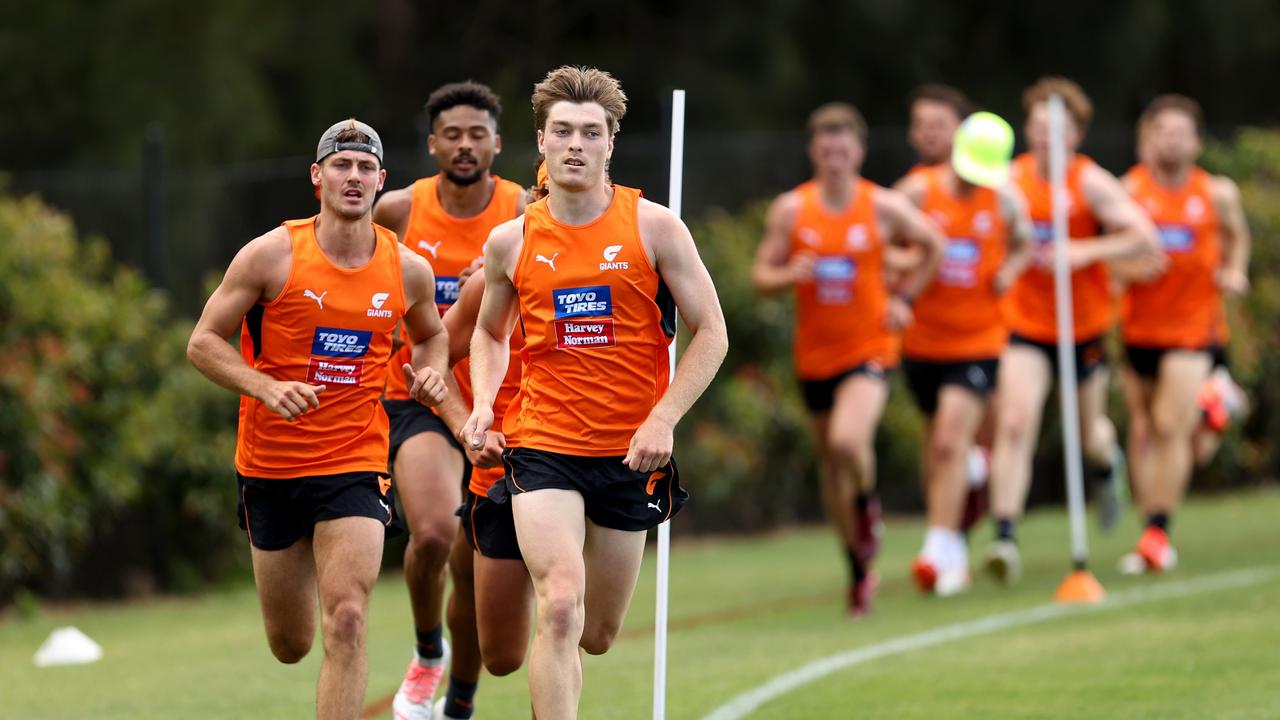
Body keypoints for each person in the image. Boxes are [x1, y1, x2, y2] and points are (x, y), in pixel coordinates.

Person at [461, 65, 728, 719]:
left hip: (631, 452)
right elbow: (490, 335)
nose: (576, 143)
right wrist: (483, 405)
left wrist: (664, 419)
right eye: (562, 131)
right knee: (557, 605)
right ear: (542, 144)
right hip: (543, 444)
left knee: (597, 632)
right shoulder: (511, 241)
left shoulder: (656, 228)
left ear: (611, 144)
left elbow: (713, 334)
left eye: (590, 132)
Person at [186, 119, 449, 720]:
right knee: (291, 644)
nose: (353, 178)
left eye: (365, 169)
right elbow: (202, 342)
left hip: (354, 461)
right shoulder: (271, 255)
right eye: (341, 165)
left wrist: (430, 371)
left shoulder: (407, 269)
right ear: (317, 177)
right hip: (270, 467)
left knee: (350, 619)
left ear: (382, 181)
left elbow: (431, 335)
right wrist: (263, 386)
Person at [370, 81, 525, 719]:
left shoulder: (524, 210)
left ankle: (459, 703)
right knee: (433, 533)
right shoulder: (398, 210)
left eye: (477, 133)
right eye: (452, 134)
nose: (465, 145)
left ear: (497, 142)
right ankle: (428, 651)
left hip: (501, 404)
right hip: (420, 394)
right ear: (433, 143)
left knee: (471, 562)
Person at [753, 102, 944, 615]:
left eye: (844, 147)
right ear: (814, 151)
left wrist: (905, 300)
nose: (835, 156)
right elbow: (760, 278)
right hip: (815, 356)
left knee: (847, 441)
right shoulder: (793, 210)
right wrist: (789, 273)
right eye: (825, 147)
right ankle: (858, 568)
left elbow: (933, 243)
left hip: (871, 348)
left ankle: (868, 505)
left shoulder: (880, 206)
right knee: (831, 466)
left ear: (859, 152)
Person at [984, 77, 1160, 585]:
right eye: (1036, 127)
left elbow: (1142, 234)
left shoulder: (1089, 182)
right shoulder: (1010, 181)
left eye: (1054, 128)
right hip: (1026, 325)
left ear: (1076, 133)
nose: (1043, 137)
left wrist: (1085, 252)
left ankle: (1108, 467)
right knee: (1015, 423)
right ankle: (1005, 538)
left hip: (1081, 328)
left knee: (1088, 436)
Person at [895, 112, 1033, 595]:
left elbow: (1025, 243)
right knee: (939, 447)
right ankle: (954, 547)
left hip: (979, 341)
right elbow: (882, 243)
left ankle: (936, 549)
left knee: (950, 439)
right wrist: (908, 267)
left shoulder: (1006, 199)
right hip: (922, 342)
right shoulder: (917, 192)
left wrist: (1009, 270)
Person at [1115, 94, 1251, 573]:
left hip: (1194, 330)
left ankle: (1156, 534)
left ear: (1196, 141)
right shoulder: (1127, 191)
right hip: (1138, 330)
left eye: (1180, 133)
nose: (1170, 141)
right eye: (1161, 133)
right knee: (1147, 430)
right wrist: (1131, 267)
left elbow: (1238, 237)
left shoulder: (1216, 193)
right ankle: (1218, 406)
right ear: (1145, 140)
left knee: (1170, 427)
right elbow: (1110, 255)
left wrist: (1234, 270)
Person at [432, 271, 533, 720]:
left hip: (577, 466)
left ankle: (457, 706)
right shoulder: (495, 276)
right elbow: (429, 353)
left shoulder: (613, 261)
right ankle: (457, 694)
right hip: (497, 476)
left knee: (565, 613)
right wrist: (466, 425)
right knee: (503, 655)